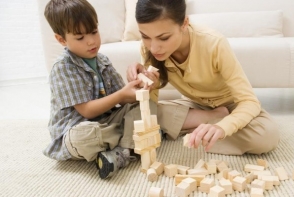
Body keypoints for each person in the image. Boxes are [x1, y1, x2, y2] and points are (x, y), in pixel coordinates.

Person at [127, 0, 280, 155]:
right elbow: (150, 107)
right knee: (134, 116)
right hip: (196, 105)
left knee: (266, 137)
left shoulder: (214, 43)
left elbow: (249, 102)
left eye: (164, 38)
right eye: (145, 36)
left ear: (184, 23)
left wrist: (223, 127)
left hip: (231, 105)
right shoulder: (148, 49)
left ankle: (199, 128)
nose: (153, 47)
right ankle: (206, 122)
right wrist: (145, 85)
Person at [43, 0, 152, 179]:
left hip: (106, 121)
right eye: (80, 38)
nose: (91, 41)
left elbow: (123, 97)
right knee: (84, 136)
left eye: (94, 32)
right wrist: (122, 95)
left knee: (145, 108)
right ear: (61, 39)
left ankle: (120, 151)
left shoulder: (103, 61)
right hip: (77, 129)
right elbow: (87, 110)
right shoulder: (63, 68)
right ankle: (129, 144)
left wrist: (139, 85)